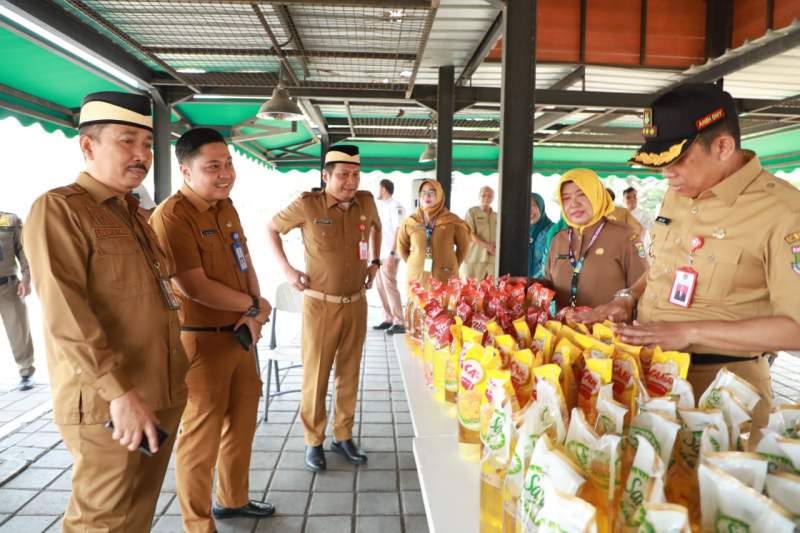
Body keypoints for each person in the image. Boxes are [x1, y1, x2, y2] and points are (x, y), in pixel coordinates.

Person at [575, 83, 800, 442]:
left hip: (723, 395)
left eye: (677, 160)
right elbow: (665, 269)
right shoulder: (679, 192)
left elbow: (795, 328)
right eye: (662, 163)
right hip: (650, 380)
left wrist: (691, 332)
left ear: (723, 147)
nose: (667, 174)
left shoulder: (785, 213)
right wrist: (627, 299)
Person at [23, 91, 188, 531]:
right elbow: (65, 315)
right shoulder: (60, 209)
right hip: (110, 402)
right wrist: (118, 393)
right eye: (127, 141)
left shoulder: (133, 214)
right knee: (102, 520)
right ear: (88, 145)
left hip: (160, 391)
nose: (141, 155)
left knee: (137, 513)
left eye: (148, 144)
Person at [150, 128, 275, 532]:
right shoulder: (173, 216)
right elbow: (194, 285)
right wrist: (253, 306)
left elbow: (245, 262)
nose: (225, 173)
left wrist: (254, 312)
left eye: (228, 163)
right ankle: (198, 523)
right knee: (200, 439)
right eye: (213, 166)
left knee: (241, 424)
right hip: (200, 340)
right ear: (186, 171)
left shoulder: (226, 207)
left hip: (239, 336)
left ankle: (233, 500)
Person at [266, 145, 381, 472]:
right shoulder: (307, 204)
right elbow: (271, 228)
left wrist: (374, 262)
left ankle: (343, 436)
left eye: (356, 174)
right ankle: (313, 440)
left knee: (349, 373)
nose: (351, 182)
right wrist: (288, 271)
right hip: (320, 306)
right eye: (343, 175)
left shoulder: (367, 202)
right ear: (325, 176)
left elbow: (377, 228)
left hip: (356, 304)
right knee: (316, 375)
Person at [546, 169, 648, 310]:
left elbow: (643, 289)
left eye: (582, 195)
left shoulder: (624, 236)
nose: (574, 204)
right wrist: (527, 284)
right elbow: (549, 284)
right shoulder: (559, 240)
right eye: (566, 198)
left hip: (610, 330)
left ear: (597, 196)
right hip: (563, 331)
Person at [397, 179, 471, 288]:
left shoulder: (452, 221)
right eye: (424, 192)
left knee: (443, 304)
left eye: (432, 192)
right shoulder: (411, 221)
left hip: (445, 277)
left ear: (440, 194)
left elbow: (463, 247)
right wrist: (416, 262)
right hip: (417, 278)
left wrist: (451, 264)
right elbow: (402, 248)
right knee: (418, 304)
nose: (427, 196)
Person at [0, 210, 35, 390]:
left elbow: (24, 251)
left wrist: (26, 279)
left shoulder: (9, 220)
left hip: (8, 287)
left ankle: (26, 372)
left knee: (18, 330)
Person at [373, 179, 406, 335]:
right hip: (379, 254)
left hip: (390, 254)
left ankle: (399, 321)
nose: (377, 191)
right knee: (380, 286)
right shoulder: (381, 206)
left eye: (379, 188)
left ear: (384, 189)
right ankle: (388, 318)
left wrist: (393, 253)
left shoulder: (396, 206)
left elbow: (398, 230)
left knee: (390, 286)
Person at [460, 186, 497, 280]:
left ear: (493, 198)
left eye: (490, 196)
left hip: (492, 260)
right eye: (483, 195)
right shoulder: (471, 212)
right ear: (479, 196)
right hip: (474, 258)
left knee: (490, 291)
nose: (486, 198)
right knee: (471, 291)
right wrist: (486, 245)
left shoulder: (497, 216)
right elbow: (469, 233)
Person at [528, 193, 554, 278]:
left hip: (544, 285)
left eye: (533, 205)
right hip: (522, 286)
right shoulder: (519, 232)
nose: (529, 210)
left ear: (541, 207)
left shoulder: (553, 230)